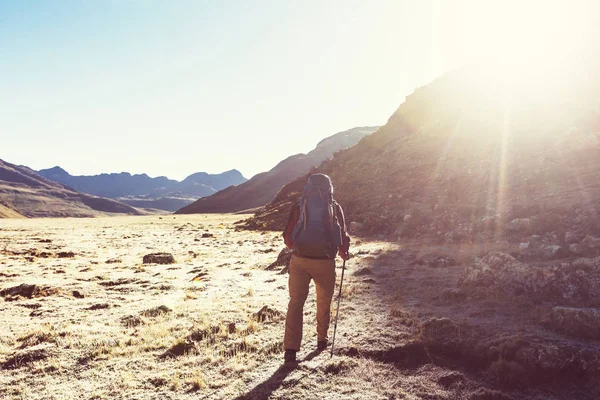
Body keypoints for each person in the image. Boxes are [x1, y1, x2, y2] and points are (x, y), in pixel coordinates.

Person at [282, 173, 350, 363]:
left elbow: (287, 236)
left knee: (295, 303)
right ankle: (322, 340)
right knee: (323, 301)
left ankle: (290, 350)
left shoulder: (300, 205)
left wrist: (298, 249)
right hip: (325, 262)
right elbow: (342, 235)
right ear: (330, 188)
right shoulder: (334, 207)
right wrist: (343, 253)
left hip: (300, 261)